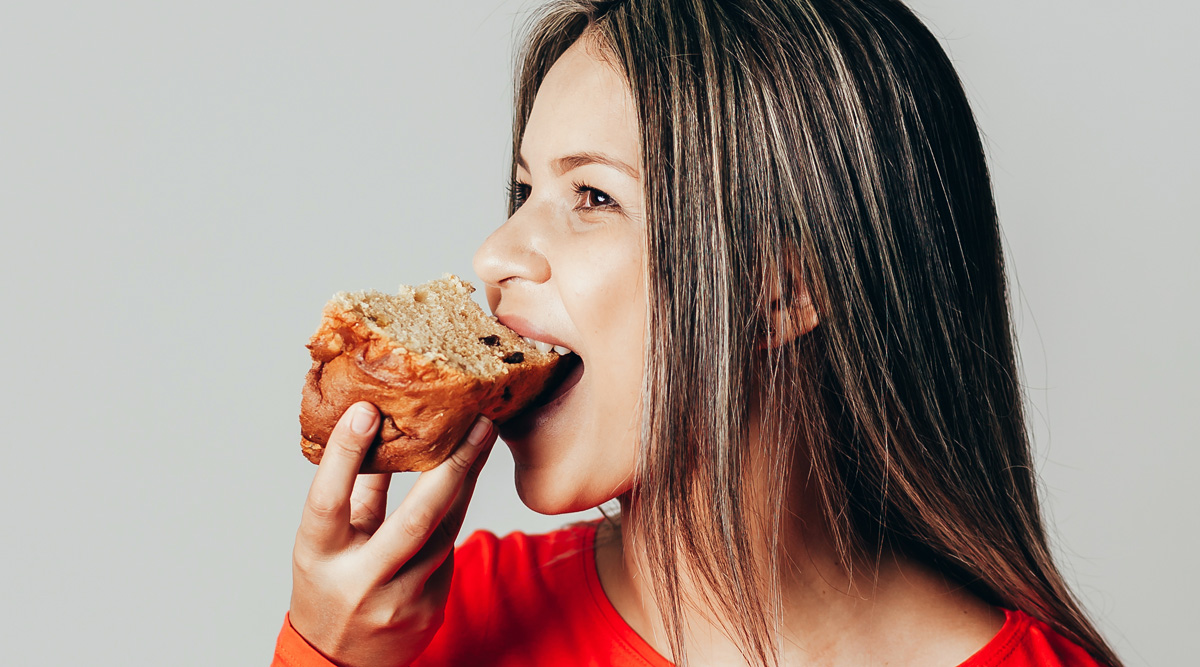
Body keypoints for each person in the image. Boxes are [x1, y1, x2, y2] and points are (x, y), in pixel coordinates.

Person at [273, 0, 1122, 665]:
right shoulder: (438, 619)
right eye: (523, 190)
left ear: (782, 292)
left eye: (593, 196)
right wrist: (324, 650)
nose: (494, 253)